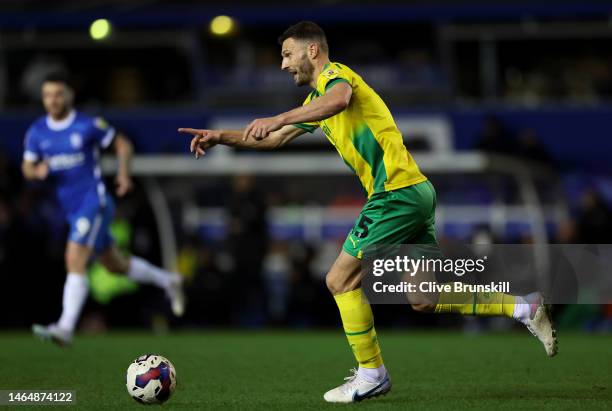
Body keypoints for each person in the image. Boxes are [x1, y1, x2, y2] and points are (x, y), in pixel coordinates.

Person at [179, 21, 557, 403]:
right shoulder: (315, 103)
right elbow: (273, 139)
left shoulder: (337, 76)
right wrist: (221, 139)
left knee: (339, 280)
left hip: (395, 193)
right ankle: (524, 307)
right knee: (423, 297)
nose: (283, 64)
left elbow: (338, 100)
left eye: (287, 54)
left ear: (312, 51)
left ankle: (372, 373)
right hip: (415, 192)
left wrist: (278, 116)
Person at [22, 72, 185, 346]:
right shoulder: (37, 131)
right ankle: (168, 280)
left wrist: (123, 174)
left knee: (74, 258)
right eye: (47, 95)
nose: (53, 100)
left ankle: (65, 327)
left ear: (69, 96)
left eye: (58, 94)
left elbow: (123, 144)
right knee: (115, 264)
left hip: (94, 201)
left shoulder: (87, 125)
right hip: (71, 208)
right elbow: (26, 166)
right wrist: (35, 171)